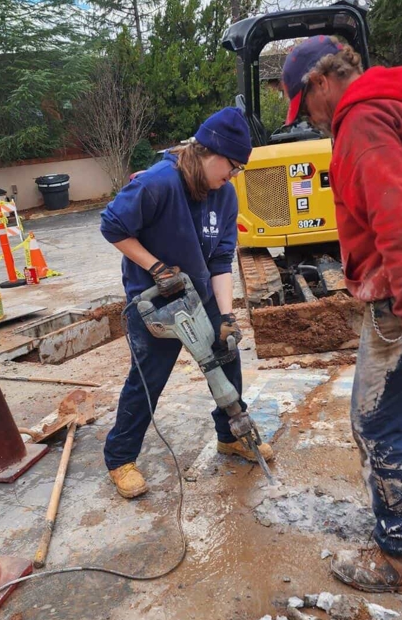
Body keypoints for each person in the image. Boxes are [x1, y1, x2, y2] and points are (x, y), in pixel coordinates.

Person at [281, 36, 402, 594]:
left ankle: (401, 557)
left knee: (373, 422)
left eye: (306, 105)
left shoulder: (363, 124)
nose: (311, 121)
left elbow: (398, 222)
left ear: (321, 82)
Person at [100, 107, 274, 499]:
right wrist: (156, 267)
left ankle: (230, 437)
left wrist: (226, 315)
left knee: (227, 358)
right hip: (155, 299)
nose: (232, 176)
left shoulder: (225, 195)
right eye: (231, 166)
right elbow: (112, 226)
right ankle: (120, 457)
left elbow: (220, 258)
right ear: (209, 152)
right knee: (149, 379)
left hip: (202, 293)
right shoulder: (158, 183)